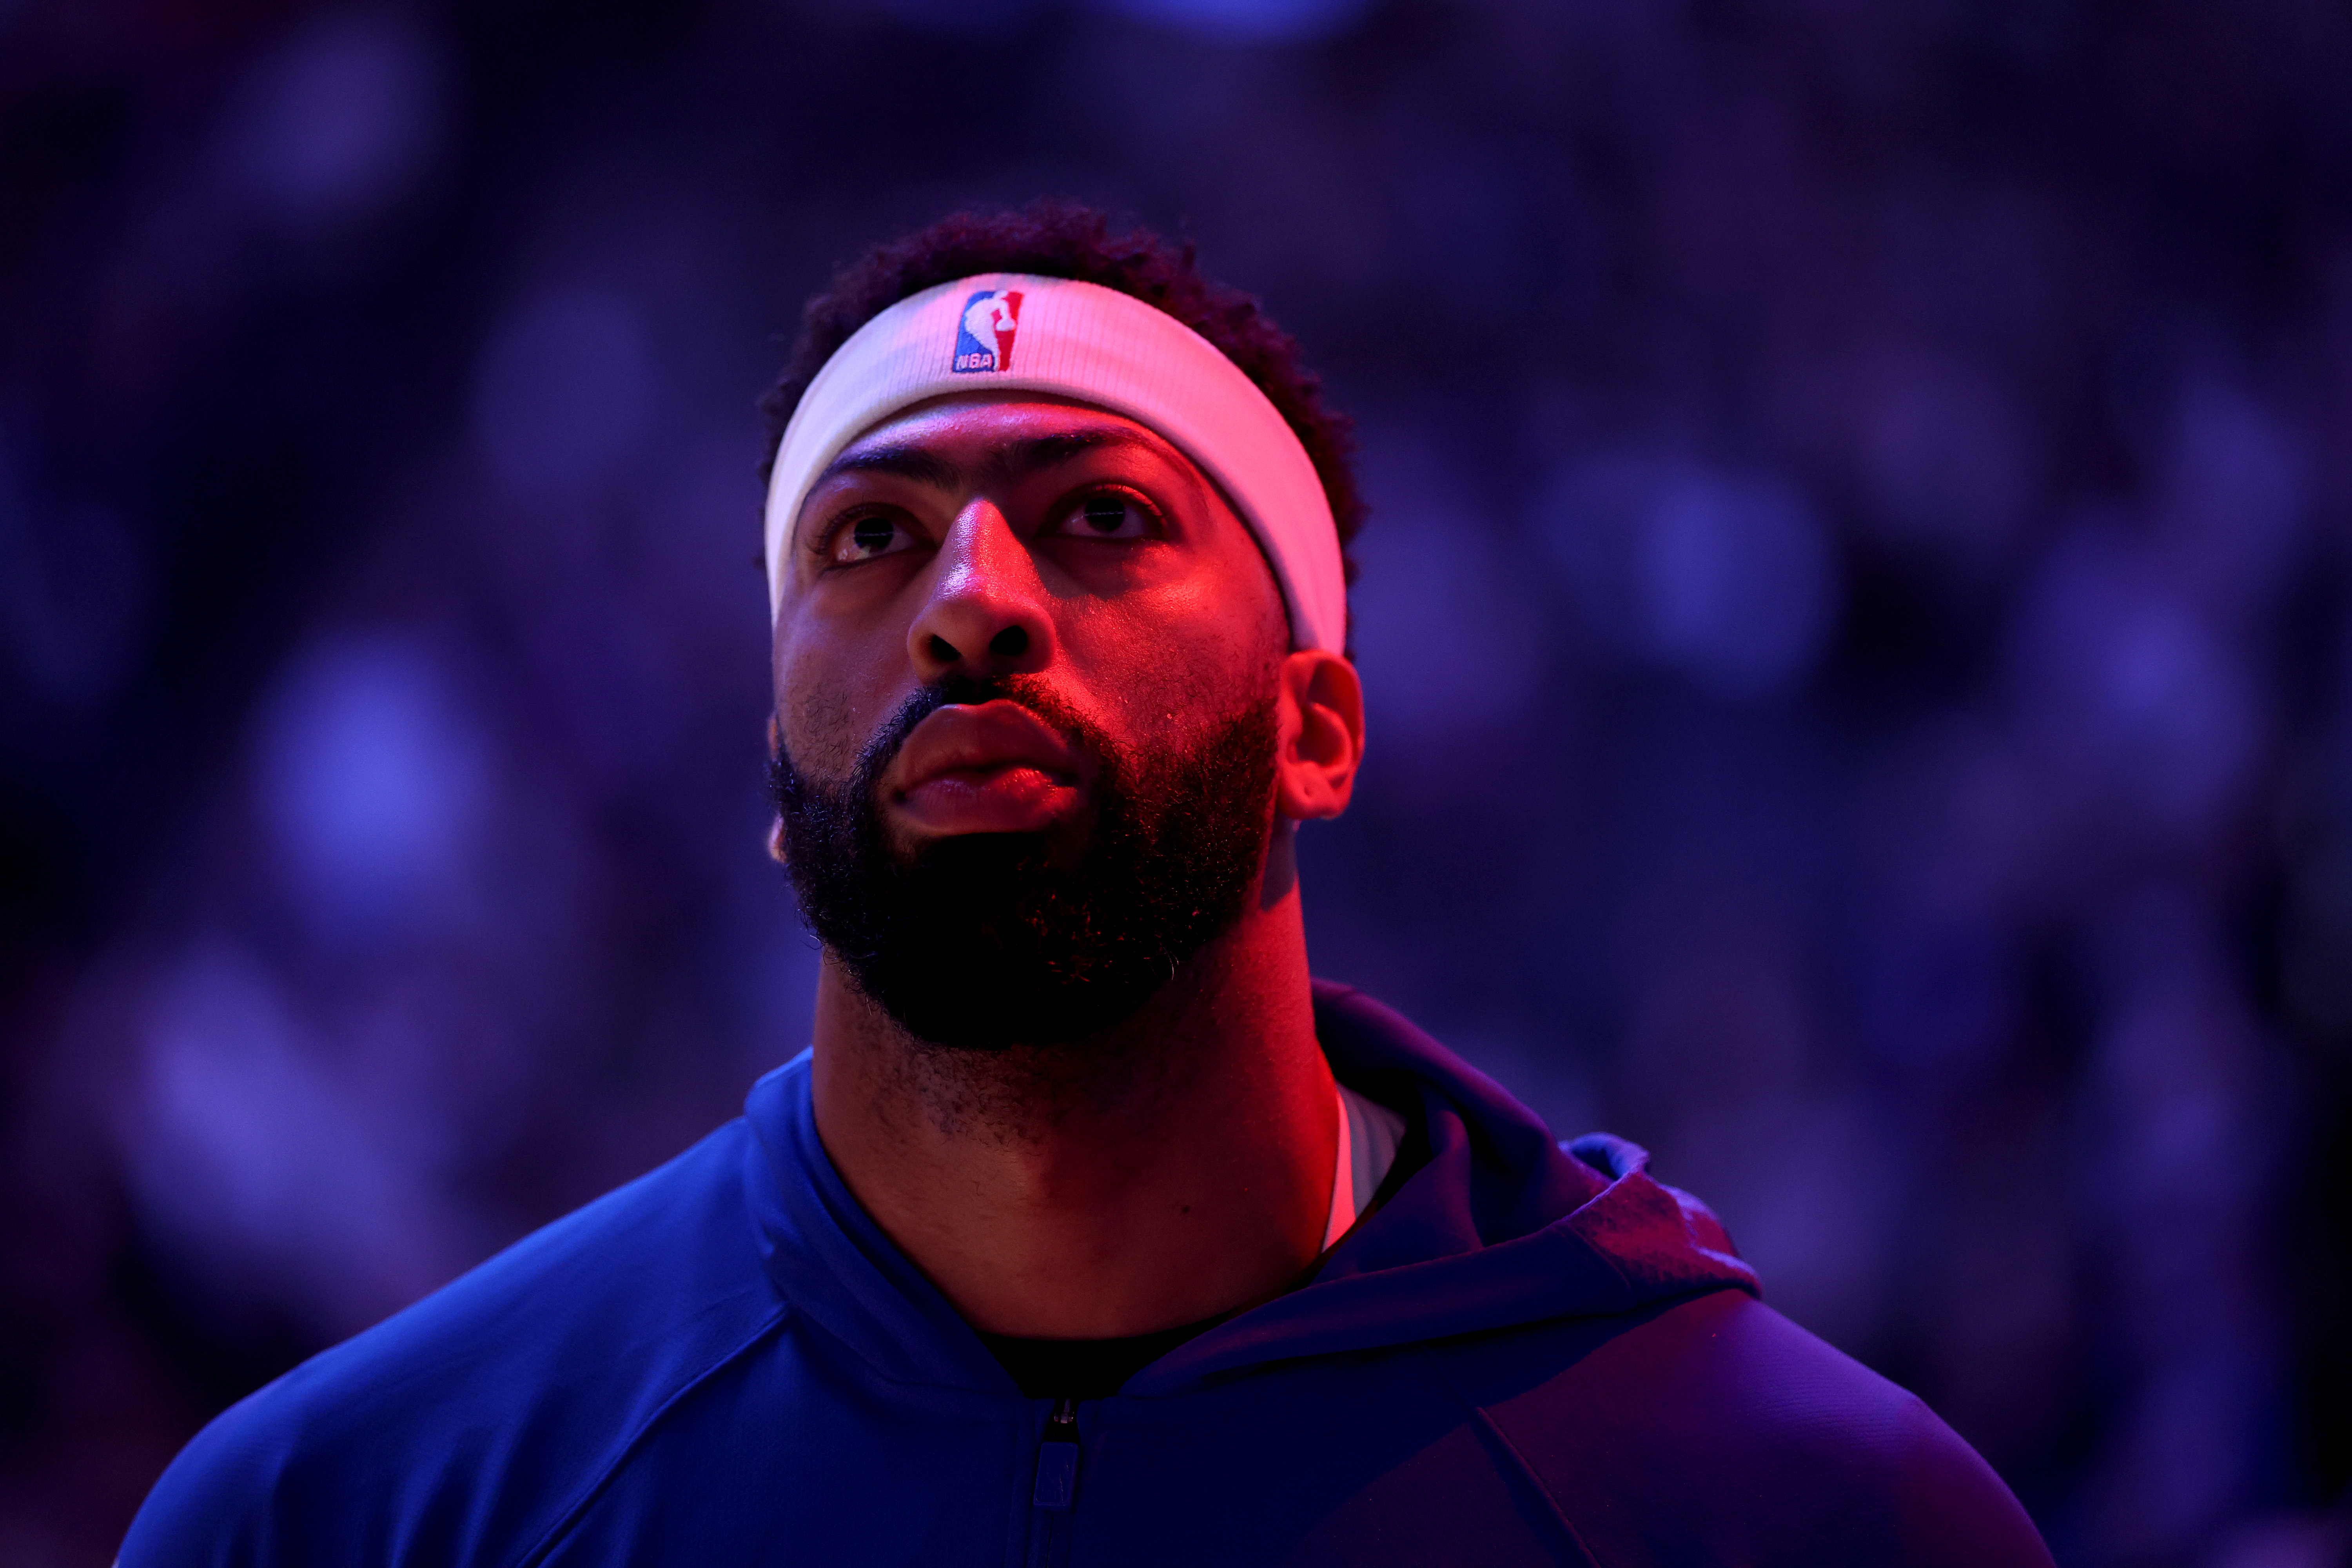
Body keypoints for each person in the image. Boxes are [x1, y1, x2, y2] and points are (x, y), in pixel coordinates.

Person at [121, 202, 2055, 1566]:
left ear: (1320, 726)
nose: (970, 602)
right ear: (780, 783)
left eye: (1101, 516)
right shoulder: (345, 1516)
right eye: (871, 537)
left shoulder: (1819, 1516)